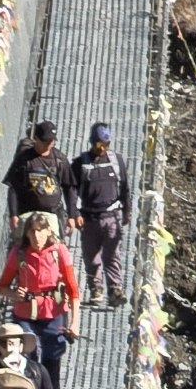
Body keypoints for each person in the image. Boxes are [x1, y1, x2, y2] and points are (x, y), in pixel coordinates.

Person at [0, 211, 80, 389]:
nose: (35, 236)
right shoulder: (19, 254)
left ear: (48, 232)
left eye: (40, 230)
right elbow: (2, 286)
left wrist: (74, 323)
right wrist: (14, 294)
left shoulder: (59, 252)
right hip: (25, 316)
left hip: (54, 316)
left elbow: (73, 291)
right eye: (31, 231)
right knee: (29, 366)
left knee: (51, 371)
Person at [71, 122, 132, 307]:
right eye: (99, 144)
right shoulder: (80, 164)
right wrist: (74, 213)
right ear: (92, 142)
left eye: (106, 144)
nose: (102, 148)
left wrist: (127, 210)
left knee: (113, 255)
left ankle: (115, 290)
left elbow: (125, 187)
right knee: (92, 257)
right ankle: (95, 289)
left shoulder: (116, 161)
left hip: (111, 216)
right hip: (89, 217)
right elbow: (71, 191)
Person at [3, 118, 78, 231]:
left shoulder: (60, 159)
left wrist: (72, 215)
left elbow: (69, 188)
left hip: (53, 215)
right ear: (36, 139)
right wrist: (13, 215)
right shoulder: (24, 159)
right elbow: (13, 187)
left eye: (51, 141)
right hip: (29, 214)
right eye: (45, 141)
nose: (49, 144)